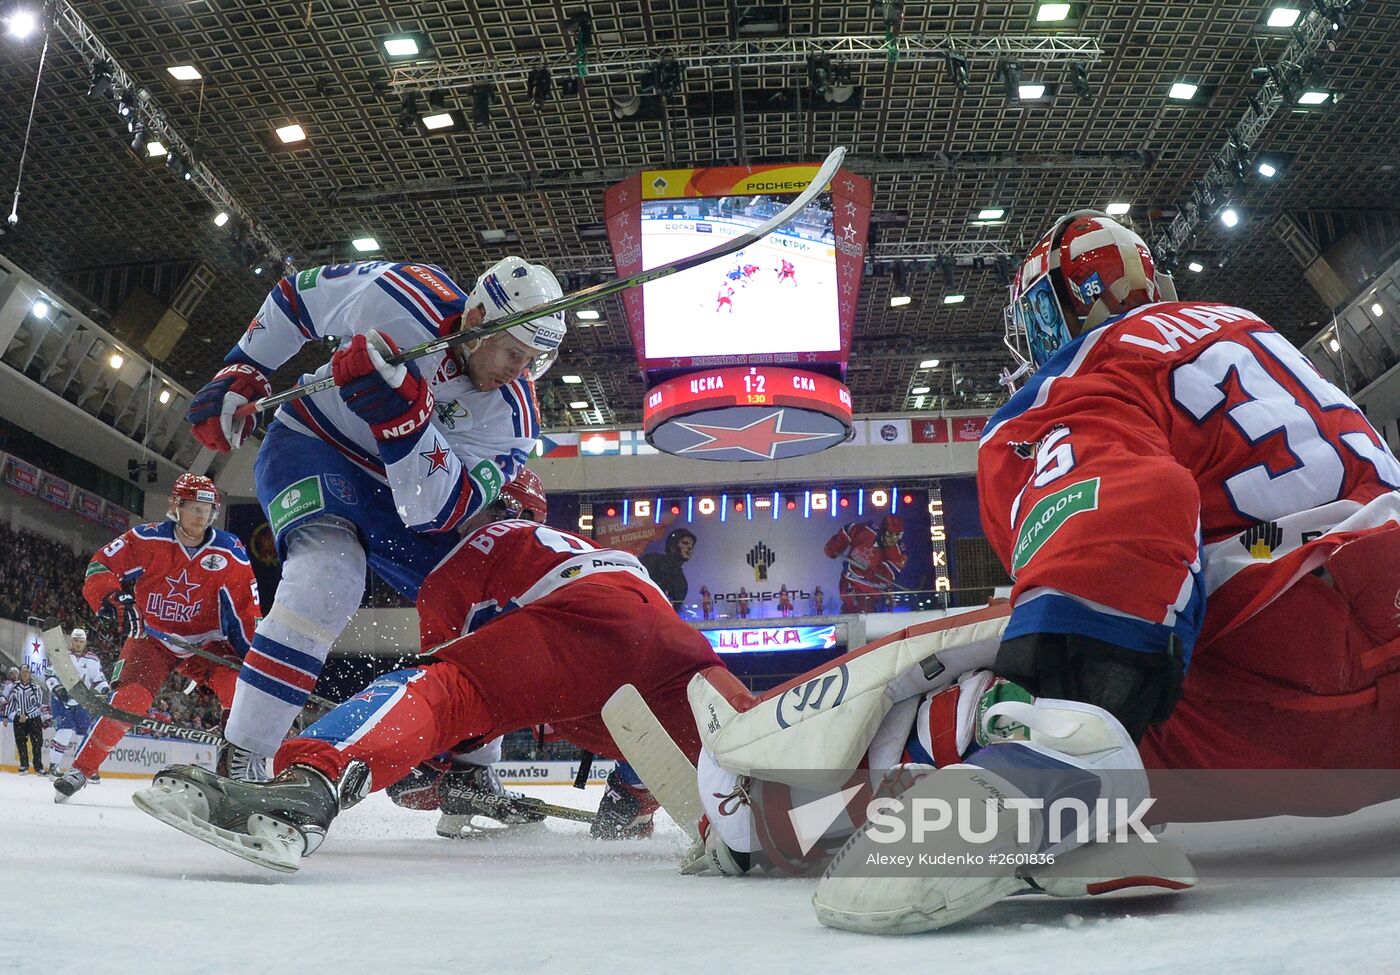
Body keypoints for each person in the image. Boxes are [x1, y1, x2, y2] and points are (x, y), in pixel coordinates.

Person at [783, 208, 1400, 932]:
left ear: (1055, 309)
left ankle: (789, 805)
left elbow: (1126, 505)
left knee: (975, 676)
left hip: (1294, 676)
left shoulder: (1085, 371)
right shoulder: (1248, 326)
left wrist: (1079, 705)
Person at [134, 470, 728, 871]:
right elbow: (627, 651)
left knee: (443, 687)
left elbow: (457, 705)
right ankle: (658, 803)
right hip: (664, 637)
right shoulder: (597, 549)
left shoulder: (477, 549)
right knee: (717, 737)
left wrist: (433, 771)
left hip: (574, 632)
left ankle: (310, 783)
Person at [185, 256, 565, 778]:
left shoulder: (515, 419)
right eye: (513, 352)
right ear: (477, 320)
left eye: (533, 360)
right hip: (313, 444)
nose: (518, 372)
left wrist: (401, 420)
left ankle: (471, 769)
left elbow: (437, 511)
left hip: (401, 500)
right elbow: (299, 298)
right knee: (326, 578)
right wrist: (246, 365)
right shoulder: (402, 292)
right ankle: (244, 756)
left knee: (489, 608)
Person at [53, 474, 261, 802]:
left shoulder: (229, 550)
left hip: (205, 642)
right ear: (175, 506)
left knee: (239, 690)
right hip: (152, 638)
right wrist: (114, 598)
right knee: (129, 702)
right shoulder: (146, 539)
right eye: (194, 507)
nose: (201, 516)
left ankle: (234, 771)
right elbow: (99, 567)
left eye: (207, 509)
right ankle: (81, 768)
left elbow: (245, 612)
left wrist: (255, 660)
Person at [41, 628, 108, 776]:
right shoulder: (62, 656)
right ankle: (53, 767)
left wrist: (105, 691)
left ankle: (86, 768)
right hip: (61, 701)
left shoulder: (93, 660)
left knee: (87, 735)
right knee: (65, 731)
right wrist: (57, 688)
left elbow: (99, 679)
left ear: (85, 642)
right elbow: (49, 674)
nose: (78, 644)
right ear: (71, 641)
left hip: (81, 702)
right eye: (76, 640)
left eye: (81, 641)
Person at [823, 515, 907, 613]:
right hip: (849, 579)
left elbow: (892, 571)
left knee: (864, 612)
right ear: (882, 530)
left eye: (898, 535)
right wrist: (836, 544)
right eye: (890, 534)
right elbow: (848, 531)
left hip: (871, 590)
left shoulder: (898, 552)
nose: (894, 539)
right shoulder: (866, 531)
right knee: (849, 609)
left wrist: (877, 573)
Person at [639, 528, 696, 610]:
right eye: (685, 543)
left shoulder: (682, 582)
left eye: (691, 545)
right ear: (673, 546)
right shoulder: (653, 560)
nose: (690, 547)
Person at [6, 665, 44, 774]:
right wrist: (7, 715)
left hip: (33, 719)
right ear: (20, 674)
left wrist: (26, 715)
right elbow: (12, 702)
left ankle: (38, 767)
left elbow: (38, 704)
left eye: (27, 672)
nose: (25, 674)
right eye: (23, 672)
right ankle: (24, 765)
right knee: (21, 742)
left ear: (30, 673)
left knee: (36, 743)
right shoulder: (15, 686)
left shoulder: (35, 687)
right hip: (19, 719)